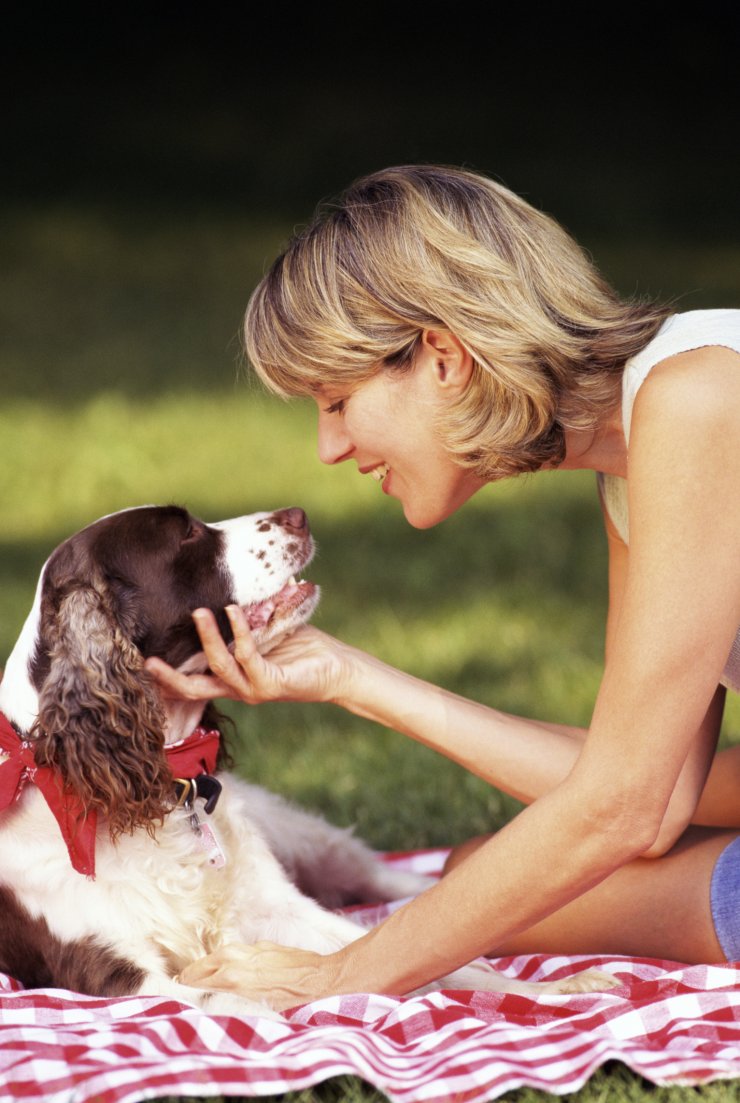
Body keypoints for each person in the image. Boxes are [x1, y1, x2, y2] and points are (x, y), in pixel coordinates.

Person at [147, 165, 740, 1010]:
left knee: (542, 891)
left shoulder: (699, 401)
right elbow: (657, 786)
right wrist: (353, 678)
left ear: (444, 357)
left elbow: (627, 806)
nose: (328, 446)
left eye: (338, 399)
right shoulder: (641, 449)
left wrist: (341, 975)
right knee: (478, 875)